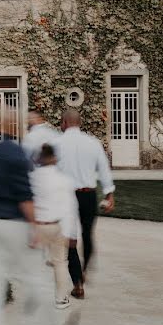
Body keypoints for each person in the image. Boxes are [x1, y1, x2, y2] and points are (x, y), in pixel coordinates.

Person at [0, 111, 78, 325]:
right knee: (33, 275)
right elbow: (24, 196)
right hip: (13, 224)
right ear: (16, 129)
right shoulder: (18, 155)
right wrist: (33, 227)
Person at [53, 109, 115, 300]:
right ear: (79, 123)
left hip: (66, 197)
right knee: (87, 235)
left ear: (64, 123)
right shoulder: (93, 143)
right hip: (88, 195)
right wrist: (109, 194)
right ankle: (84, 270)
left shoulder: (56, 143)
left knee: (70, 240)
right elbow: (104, 169)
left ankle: (78, 284)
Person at [30, 144, 81, 310]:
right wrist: (72, 233)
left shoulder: (33, 177)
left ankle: (33, 298)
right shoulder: (64, 179)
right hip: (57, 226)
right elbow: (71, 207)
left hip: (38, 225)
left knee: (34, 262)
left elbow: (28, 202)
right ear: (55, 159)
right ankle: (60, 299)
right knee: (60, 263)